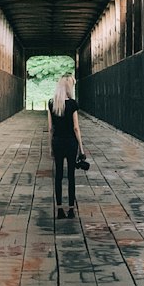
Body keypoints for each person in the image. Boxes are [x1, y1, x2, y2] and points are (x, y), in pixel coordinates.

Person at [48, 74, 85, 219]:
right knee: (71, 176)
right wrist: (81, 149)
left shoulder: (52, 103)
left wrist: (50, 146)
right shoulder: (73, 104)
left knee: (58, 176)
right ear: (69, 87)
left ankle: (59, 209)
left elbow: (50, 128)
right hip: (71, 143)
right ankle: (71, 209)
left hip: (57, 142)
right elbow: (76, 128)